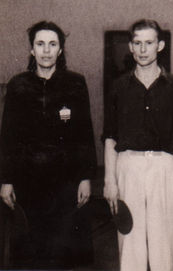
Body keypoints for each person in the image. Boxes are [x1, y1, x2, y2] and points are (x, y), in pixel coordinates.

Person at [0, 21, 97, 269]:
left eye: (52, 44)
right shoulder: (18, 85)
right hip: (27, 182)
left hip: (65, 183)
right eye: (40, 44)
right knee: (30, 252)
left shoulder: (75, 83)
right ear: (32, 49)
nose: (46, 50)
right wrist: (6, 180)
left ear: (60, 50)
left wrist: (85, 177)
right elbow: (8, 135)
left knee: (62, 252)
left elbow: (84, 133)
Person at [102, 19, 173, 271]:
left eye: (149, 43)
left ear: (159, 45)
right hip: (128, 166)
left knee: (164, 245)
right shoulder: (118, 87)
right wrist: (110, 180)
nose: (143, 50)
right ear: (130, 47)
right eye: (138, 43)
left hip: (164, 168)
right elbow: (110, 136)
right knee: (129, 243)